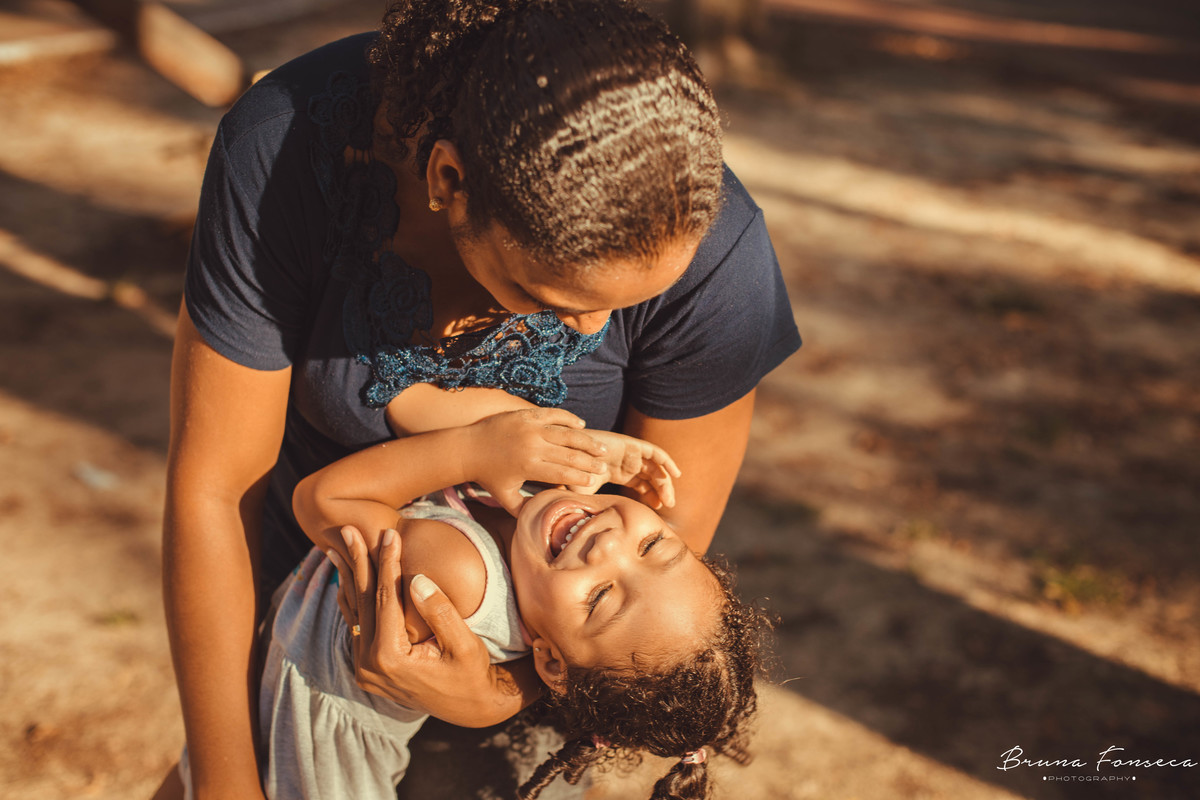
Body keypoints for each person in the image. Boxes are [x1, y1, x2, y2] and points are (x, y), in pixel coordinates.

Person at [161, 0, 801, 797]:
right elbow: (216, 489)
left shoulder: (715, 249)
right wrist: (224, 782)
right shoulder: (284, 153)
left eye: (631, 303)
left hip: (535, 669)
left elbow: (659, 582)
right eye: (553, 297)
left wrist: (499, 692)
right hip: (290, 611)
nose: (593, 329)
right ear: (449, 180)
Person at [183, 408, 767, 800]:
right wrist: (581, 451)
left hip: (309, 759)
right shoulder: (541, 519)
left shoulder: (456, 572)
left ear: (549, 661)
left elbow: (322, 499)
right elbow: (410, 402)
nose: (608, 545)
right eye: (653, 544)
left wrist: (473, 448)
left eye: (599, 598)